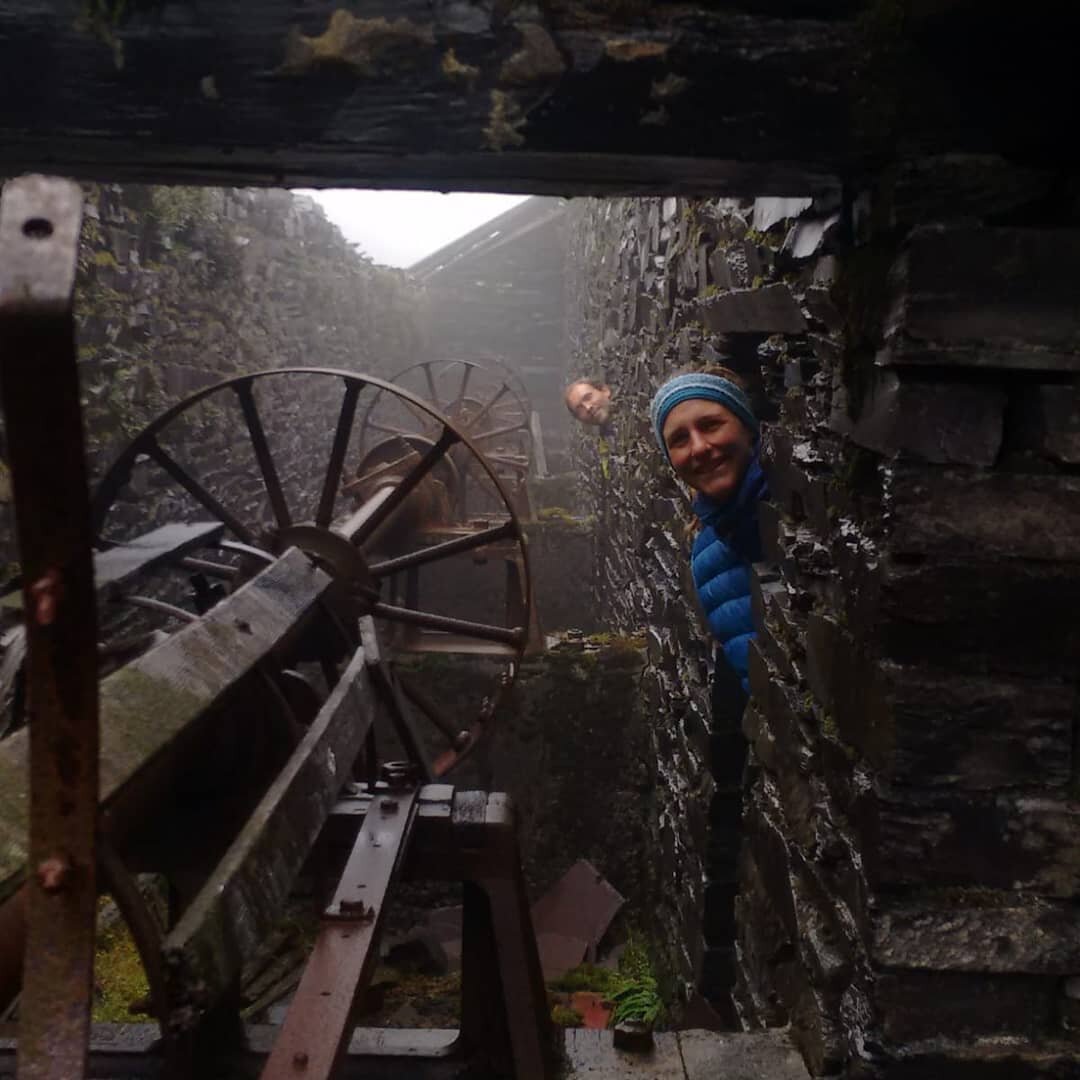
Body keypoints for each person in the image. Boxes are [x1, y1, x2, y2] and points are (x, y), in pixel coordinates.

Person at [649, 367, 768, 697]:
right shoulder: (704, 554)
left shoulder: (796, 499)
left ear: (746, 427)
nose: (699, 448)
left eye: (710, 425)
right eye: (679, 439)